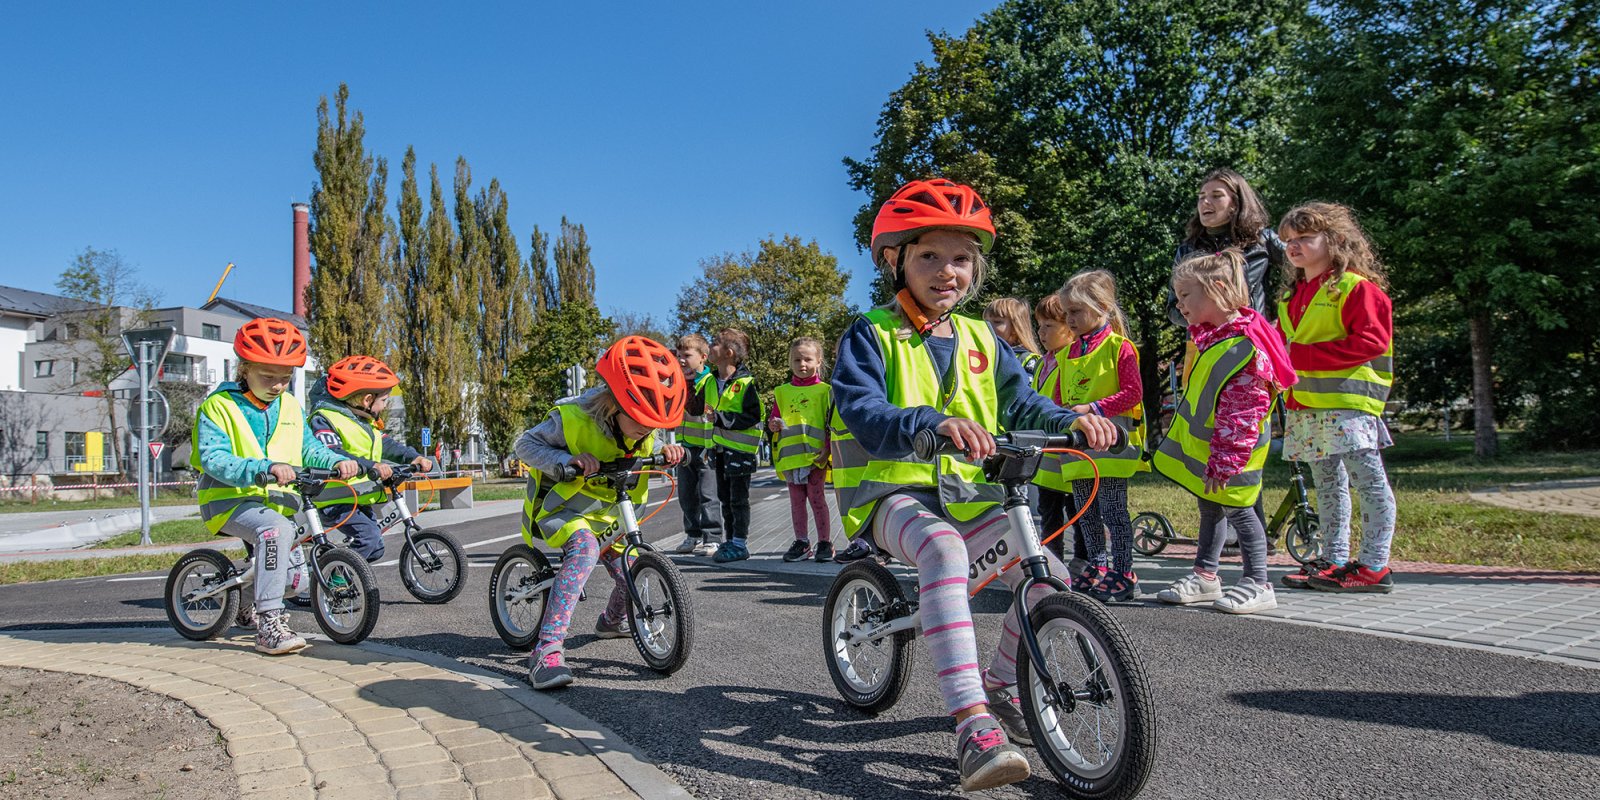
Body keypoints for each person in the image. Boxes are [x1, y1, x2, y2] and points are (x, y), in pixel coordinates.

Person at [832, 178, 1119, 791]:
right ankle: (971, 722)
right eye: (928, 256)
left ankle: (998, 682)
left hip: (969, 494)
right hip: (890, 493)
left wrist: (1073, 420)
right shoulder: (871, 332)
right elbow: (861, 408)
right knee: (944, 552)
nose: (946, 271)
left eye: (960, 258)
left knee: (1051, 578)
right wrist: (929, 423)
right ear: (895, 261)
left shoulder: (983, 338)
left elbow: (1024, 403)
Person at [513, 336, 686, 689]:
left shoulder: (644, 426)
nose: (647, 432)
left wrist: (671, 450)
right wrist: (565, 461)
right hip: (566, 508)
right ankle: (546, 649)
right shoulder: (572, 418)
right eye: (640, 422)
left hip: (610, 511)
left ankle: (611, 621)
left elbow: (649, 440)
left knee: (631, 566)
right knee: (585, 552)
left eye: (654, 426)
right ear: (614, 403)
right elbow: (524, 445)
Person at [190, 318, 359, 654]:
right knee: (276, 532)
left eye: (286, 377)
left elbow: (308, 447)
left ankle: (243, 602)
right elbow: (214, 458)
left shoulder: (290, 407)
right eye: (268, 376)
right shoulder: (218, 406)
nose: (278, 385)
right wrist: (264, 468)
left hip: (279, 502)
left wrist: (336, 461)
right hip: (230, 499)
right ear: (244, 367)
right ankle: (268, 624)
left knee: (297, 580)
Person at [1153, 250, 1296, 614]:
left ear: (1216, 288)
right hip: (1215, 454)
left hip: (1233, 456)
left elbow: (1244, 411)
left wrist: (1227, 460)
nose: (1178, 303)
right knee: (1211, 509)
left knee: (1241, 512)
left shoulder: (1243, 346)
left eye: (1185, 295)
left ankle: (1258, 582)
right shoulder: (1216, 339)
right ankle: (1206, 576)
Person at [1274, 202, 1398, 593]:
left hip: (1349, 404)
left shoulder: (1358, 288)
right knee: (1328, 486)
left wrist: (1300, 357)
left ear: (1336, 240)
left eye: (1304, 238)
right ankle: (1335, 559)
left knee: (1369, 481)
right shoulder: (1292, 295)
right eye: (1288, 240)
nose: (1294, 246)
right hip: (1308, 407)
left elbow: (1371, 342)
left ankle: (1375, 565)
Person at [1168, 168, 1285, 544]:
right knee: (1210, 429)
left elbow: (1283, 288)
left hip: (1252, 347)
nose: (1206, 202)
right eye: (1202, 196)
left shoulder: (1265, 242)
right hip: (1204, 346)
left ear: (1237, 201)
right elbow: (1174, 305)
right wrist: (1195, 314)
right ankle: (1222, 530)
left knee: (1246, 433)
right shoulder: (1189, 249)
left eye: (1216, 195)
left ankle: (1252, 528)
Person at [1055, 270, 1148, 602]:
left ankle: (1124, 571)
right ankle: (1096, 566)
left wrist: (1092, 407)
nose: (1069, 319)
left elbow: (1133, 393)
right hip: (1078, 449)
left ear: (1101, 307)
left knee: (1113, 510)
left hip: (1111, 445)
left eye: (1076, 311)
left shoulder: (1119, 348)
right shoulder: (1065, 356)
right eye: (1067, 312)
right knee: (1084, 512)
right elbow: (1054, 402)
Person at [306, 355, 434, 563]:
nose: (384, 406)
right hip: (334, 498)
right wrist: (372, 465)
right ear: (367, 400)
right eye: (383, 400)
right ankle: (333, 579)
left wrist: (415, 456)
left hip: (358, 495)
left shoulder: (364, 421)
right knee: (369, 539)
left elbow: (386, 445)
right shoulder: (325, 419)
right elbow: (332, 453)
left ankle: (332, 565)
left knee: (375, 549)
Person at [1030, 292, 1086, 567]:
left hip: (1068, 452)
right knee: (1048, 511)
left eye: (1048, 326)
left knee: (1077, 508)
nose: (1041, 332)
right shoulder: (1043, 363)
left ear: (1068, 327)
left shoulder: (1071, 361)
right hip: (1047, 455)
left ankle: (1082, 559)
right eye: (1038, 326)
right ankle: (1052, 560)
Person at [769, 337, 835, 562]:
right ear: (790, 362)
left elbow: (830, 423)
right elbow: (773, 419)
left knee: (817, 499)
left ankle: (825, 542)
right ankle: (802, 542)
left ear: (818, 361)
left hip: (816, 456)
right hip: (792, 458)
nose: (802, 364)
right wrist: (774, 424)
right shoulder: (781, 391)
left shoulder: (826, 391)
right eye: (797, 359)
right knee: (796, 502)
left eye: (807, 359)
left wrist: (827, 449)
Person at [707, 328, 763, 563]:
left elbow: (753, 416)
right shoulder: (710, 381)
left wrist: (721, 419)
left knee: (738, 500)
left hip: (740, 452)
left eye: (715, 343)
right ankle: (729, 540)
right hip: (719, 451)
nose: (710, 346)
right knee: (725, 498)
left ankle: (740, 543)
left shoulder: (746, 383)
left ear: (728, 353)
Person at [670, 334, 722, 557]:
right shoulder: (679, 383)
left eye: (687, 356)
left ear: (703, 357)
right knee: (686, 495)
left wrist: (711, 446)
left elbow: (703, 410)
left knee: (707, 494)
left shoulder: (708, 382)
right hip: (684, 448)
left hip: (705, 448)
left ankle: (712, 538)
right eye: (679, 355)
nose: (681, 360)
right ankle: (692, 534)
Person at [983, 297, 1043, 377]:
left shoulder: (1030, 360)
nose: (988, 325)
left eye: (997, 322)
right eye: (985, 321)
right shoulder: (982, 355)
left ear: (1015, 328)